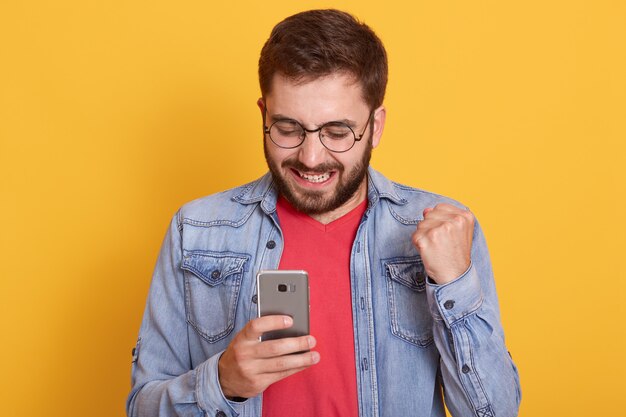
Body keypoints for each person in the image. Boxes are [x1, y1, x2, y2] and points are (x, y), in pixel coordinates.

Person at [126, 9, 521, 417]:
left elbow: (493, 412)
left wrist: (454, 282)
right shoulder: (196, 231)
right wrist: (222, 382)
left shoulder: (445, 230)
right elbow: (143, 408)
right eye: (287, 128)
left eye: (337, 132)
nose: (311, 157)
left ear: (376, 126)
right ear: (263, 115)